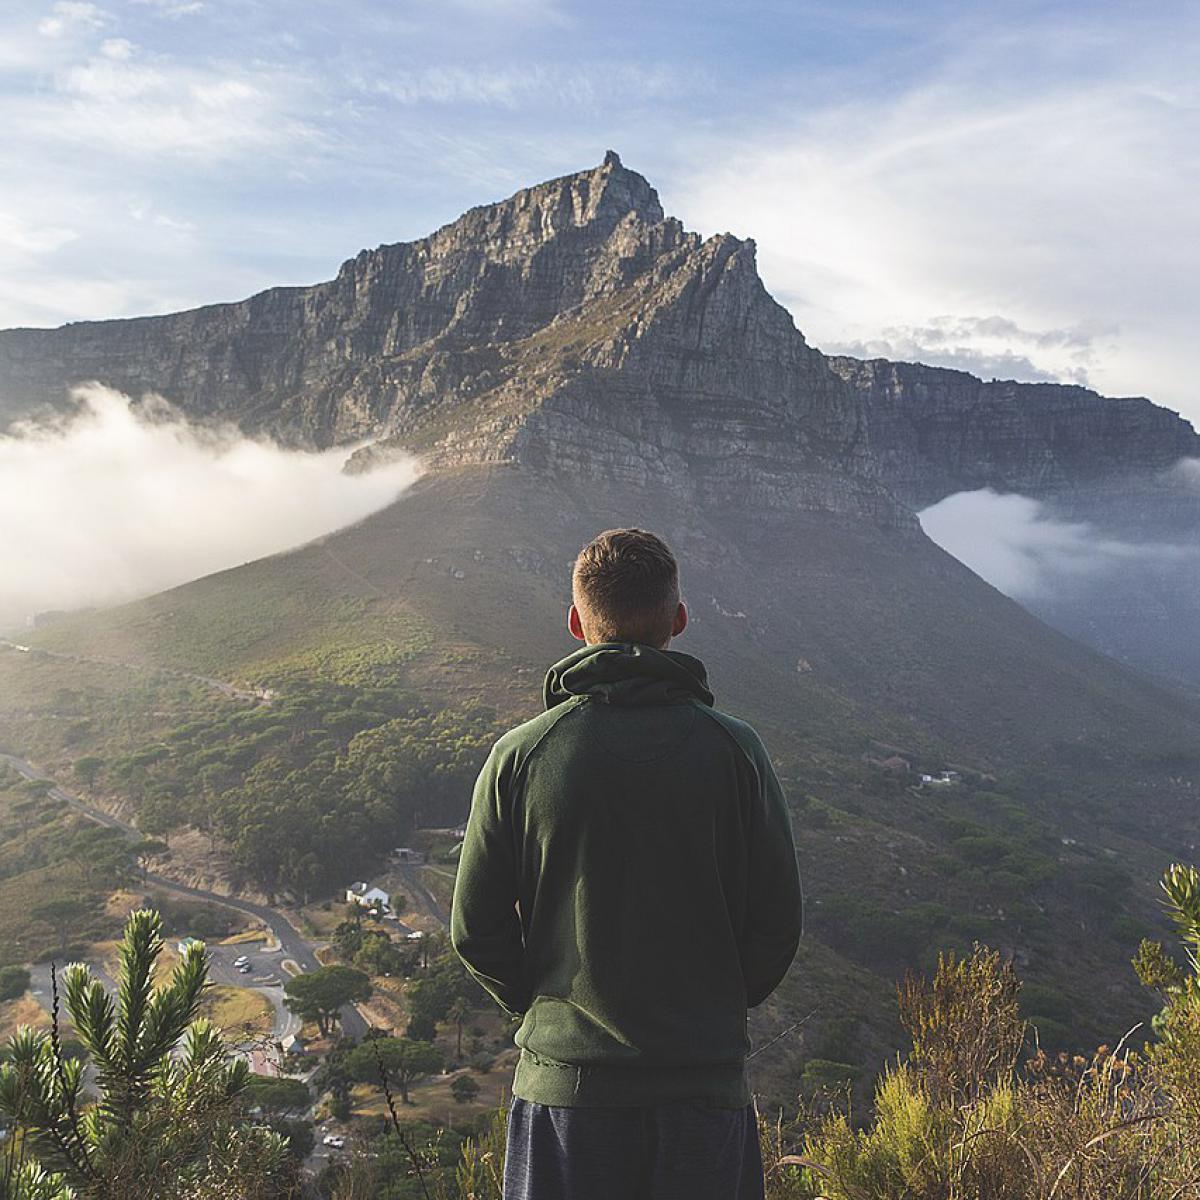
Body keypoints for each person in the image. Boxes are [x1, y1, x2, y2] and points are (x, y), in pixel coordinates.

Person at [451, 527, 804, 1199]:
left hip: (566, 1102)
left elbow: (476, 931)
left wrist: (548, 1012)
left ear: (576, 621)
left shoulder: (522, 756)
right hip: (704, 1094)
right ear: (678, 619)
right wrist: (714, 1008)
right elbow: (778, 924)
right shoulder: (735, 752)